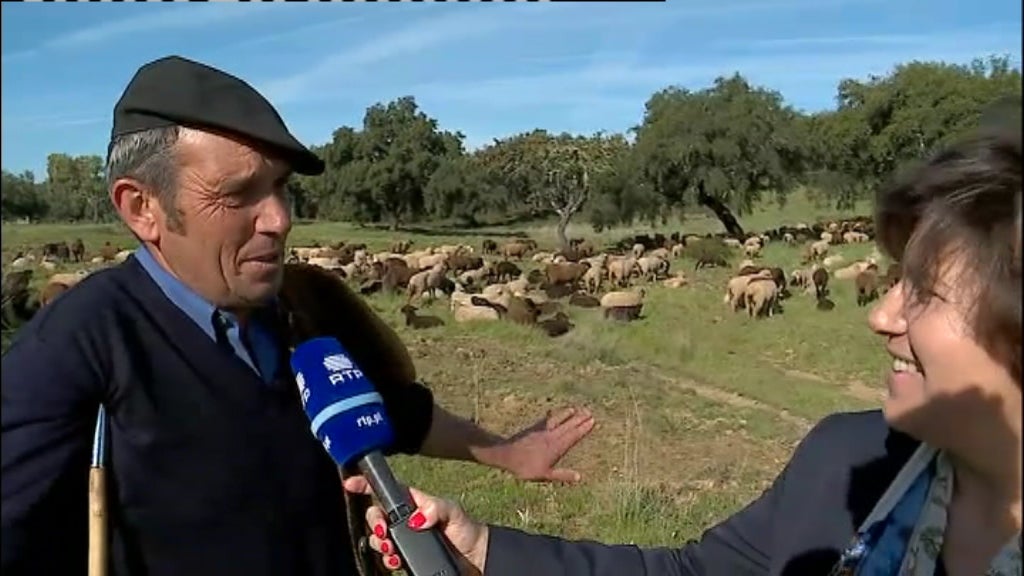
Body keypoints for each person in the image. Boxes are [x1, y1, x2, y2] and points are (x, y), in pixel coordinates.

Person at [0, 55, 595, 576]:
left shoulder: (300, 310)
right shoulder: (75, 349)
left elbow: (388, 414)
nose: (279, 219)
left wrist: (506, 453)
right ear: (142, 207)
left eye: (281, 188)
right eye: (238, 195)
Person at [347, 124, 1023, 575]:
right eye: (892, 279)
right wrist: (484, 549)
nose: (879, 315)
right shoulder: (848, 461)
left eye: (925, 292)